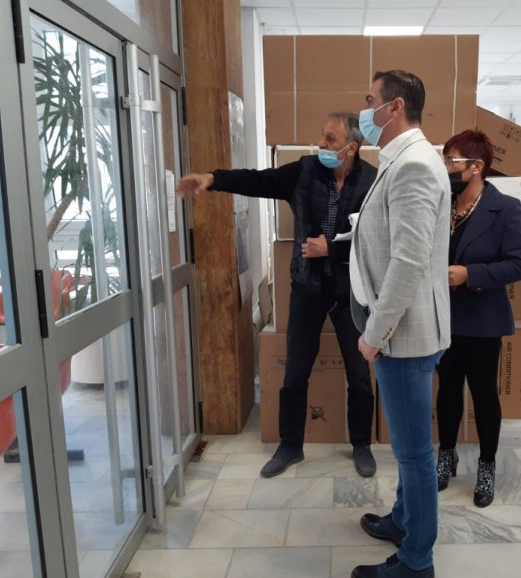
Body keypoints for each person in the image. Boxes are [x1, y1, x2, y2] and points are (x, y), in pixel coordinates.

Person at [176, 112, 378, 478]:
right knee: (295, 373)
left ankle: (361, 444)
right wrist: (213, 179)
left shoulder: (372, 182)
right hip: (307, 289)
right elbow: (257, 180)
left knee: (359, 374)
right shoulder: (304, 172)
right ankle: (290, 446)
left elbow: (377, 241)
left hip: (351, 292)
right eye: (321, 136)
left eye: (330, 140)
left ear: (351, 147)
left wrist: (330, 249)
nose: (321, 145)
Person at [349, 70, 450, 578]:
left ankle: (416, 562)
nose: (364, 110)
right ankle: (403, 520)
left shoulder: (413, 165)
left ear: (396, 107)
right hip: (406, 332)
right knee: (412, 448)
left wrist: (374, 334)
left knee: (413, 454)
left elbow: (408, 263)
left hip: (403, 337)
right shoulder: (401, 160)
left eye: (371, 100)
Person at [435, 129, 521, 508]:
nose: (445, 168)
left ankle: (487, 465)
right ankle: (446, 454)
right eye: (444, 160)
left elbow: (518, 264)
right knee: (446, 391)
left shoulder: (505, 208)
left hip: (481, 319)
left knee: (484, 394)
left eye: (451, 161)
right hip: (442, 316)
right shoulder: (441, 205)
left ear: (476, 166)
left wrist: (469, 274)